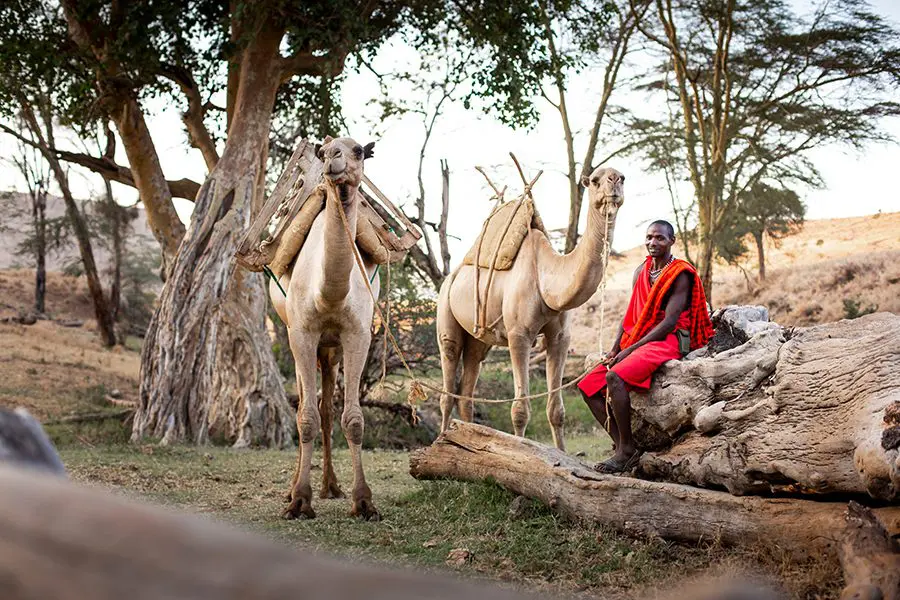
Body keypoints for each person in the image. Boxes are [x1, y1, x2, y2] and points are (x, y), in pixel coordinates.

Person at [579, 220, 713, 474]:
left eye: (660, 238)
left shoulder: (680, 273)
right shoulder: (641, 270)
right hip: (641, 337)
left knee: (614, 377)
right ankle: (623, 448)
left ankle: (626, 451)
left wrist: (630, 350)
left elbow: (669, 322)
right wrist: (615, 348)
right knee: (587, 386)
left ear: (672, 241)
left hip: (671, 338)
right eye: (649, 237)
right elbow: (631, 314)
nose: (653, 243)